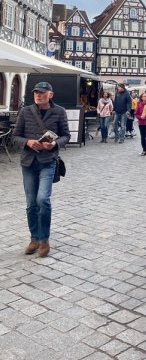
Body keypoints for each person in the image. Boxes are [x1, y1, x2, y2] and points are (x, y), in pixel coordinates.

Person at [12, 81, 70, 258]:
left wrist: (54, 143)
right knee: (31, 203)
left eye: (42, 93)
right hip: (28, 162)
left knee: (43, 199)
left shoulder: (59, 111)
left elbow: (66, 135)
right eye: (36, 92)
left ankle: (44, 239)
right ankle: (34, 238)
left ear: (50, 95)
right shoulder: (26, 111)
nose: (38, 95)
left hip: (48, 161)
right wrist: (28, 142)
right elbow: (15, 136)